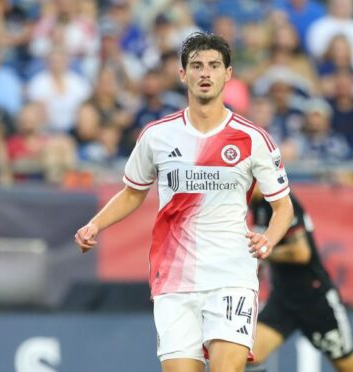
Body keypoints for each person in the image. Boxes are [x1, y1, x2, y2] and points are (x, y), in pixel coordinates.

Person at [74, 32, 294, 372]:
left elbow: (283, 206)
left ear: (228, 74)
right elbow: (134, 191)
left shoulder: (253, 139)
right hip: (175, 277)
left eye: (213, 66)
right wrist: (95, 224)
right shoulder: (157, 136)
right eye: (196, 66)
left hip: (231, 273)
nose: (205, 73)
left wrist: (269, 239)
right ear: (182, 75)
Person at [246, 188, 353, 372]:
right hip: (283, 298)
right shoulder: (256, 205)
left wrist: (260, 252)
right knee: (250, 356)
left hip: (314, 298)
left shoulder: (282, 203)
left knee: (350, 367)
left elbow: (301, 252)